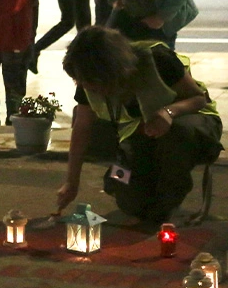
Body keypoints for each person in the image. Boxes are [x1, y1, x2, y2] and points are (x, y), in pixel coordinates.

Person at [56, 26, 221, 224]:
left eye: (92, 82)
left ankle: (166, 205)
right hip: (141, 134)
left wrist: (168, 113)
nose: (87, 87)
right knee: (128, 195)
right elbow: (82, 128)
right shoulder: (87, 79)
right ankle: (118, 177)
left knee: (177, 137)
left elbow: (198, 99)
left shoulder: (157, 59)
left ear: (113, 71)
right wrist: (71, 182)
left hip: (191, 122)